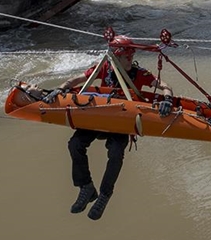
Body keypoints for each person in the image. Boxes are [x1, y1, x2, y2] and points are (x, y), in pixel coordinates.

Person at [48, 35, 174, 220]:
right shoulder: (104, 68)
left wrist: (168, 99)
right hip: (99, 117)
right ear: (116, 57)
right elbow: (78, 80)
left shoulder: (139, 73)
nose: (130, 59)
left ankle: (105, 195)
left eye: (131, 56)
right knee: (75, 144)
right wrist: (60, 88)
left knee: (116, 151)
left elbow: (164, 85)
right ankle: (86, 187)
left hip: (122, 121)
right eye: (126, 57)